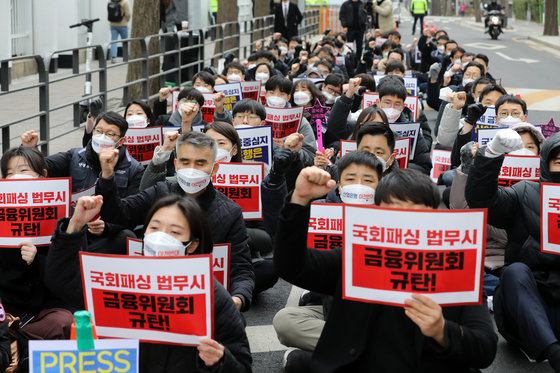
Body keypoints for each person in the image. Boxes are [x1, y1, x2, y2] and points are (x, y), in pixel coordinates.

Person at [278, 167, 498, 372]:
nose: (405, 223)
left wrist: (442, 330)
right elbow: (292, 267)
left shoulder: (456, 270)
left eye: (416, 213)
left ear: (434, 216)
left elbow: (485, 348)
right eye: (394, 213)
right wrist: (299, 200)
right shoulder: (355, 258)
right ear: (376, 214)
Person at [45, 194, 252, 372]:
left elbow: (242, 366)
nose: (161, 237)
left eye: (175, 232)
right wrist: (75, 225)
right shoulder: (120, 281)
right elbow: (62, 280)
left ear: (192, 244)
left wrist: (220, 361)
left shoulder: (213, 297)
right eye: (154, 228)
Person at [95, 131, 255, 311]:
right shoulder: (159, 192)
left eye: (200, 163)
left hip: (202, 302)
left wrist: (238, 298)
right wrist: (107, 177)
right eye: (185, 162)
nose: (192, 169)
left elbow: (241, 268)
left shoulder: (230, 212)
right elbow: (119, 214)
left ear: (214, 168)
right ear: (176, 164)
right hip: (153, 294)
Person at [274, 151, 384, 363]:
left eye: (368, 180)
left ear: (380, 188)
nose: (359, 185)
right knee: (286, 320)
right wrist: (299, 200)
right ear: (340, 187)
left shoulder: (395, 231)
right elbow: (290, 266)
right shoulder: (341, 250)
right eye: (350, 179)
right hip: (339, 314)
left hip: (389, 328)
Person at [465, 129, 560, 372]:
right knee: (515, 272)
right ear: (547, 165)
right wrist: (491, 155)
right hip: (524, 303)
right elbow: (482, 201)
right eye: (559, 162)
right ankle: (554, 353)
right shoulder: (524, 192)